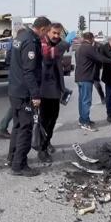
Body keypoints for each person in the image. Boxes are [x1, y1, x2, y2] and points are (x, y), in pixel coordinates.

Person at [7, 16, 51, 177]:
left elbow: (8, 59)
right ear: (43, 29)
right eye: (46, 32)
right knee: (25, 128)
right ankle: (19, 165)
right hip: (24, 92)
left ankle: (12, 158)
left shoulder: (19, 36)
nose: (45, 35)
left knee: (17, 126)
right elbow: (29, 71)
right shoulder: (31, 41)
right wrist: (35, 94)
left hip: (14, 89)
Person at [74, 32, 111, 131]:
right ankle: (85, 122)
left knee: (82, 100)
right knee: (86, 101)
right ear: (92, 38)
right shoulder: (89, 48)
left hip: (79, 77)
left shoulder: (79, 48)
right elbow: (101, 58)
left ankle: (82, 119)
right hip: (86, 78)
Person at [38, 23, 66, 163]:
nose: (56, 36)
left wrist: (63, 88)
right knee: (43, 121)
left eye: (58, 33)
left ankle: (47, 142)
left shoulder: (58, 44)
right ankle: (42, 149)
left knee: (53, 119)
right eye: (54, 33)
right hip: (43, 90)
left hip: (55, 89)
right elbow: (47, 55)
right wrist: (62, 46)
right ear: (47, 32)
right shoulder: (42, 44)